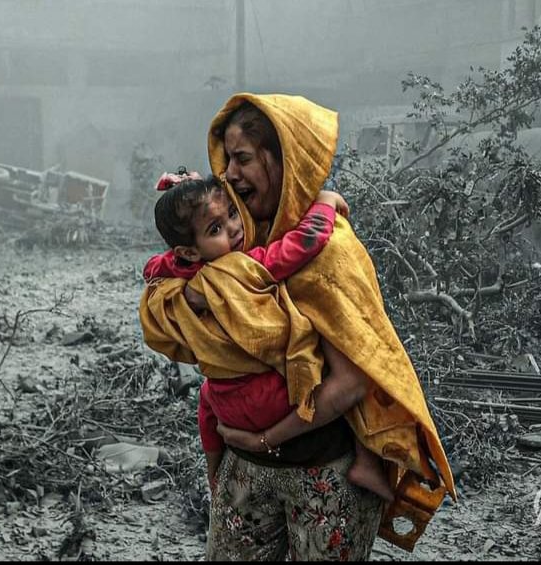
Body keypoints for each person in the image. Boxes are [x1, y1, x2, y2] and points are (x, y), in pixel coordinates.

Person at [139, 94, 456, 561]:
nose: (229, 174)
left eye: (243, 158)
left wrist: (264, 439)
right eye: (226, 161)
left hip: (325, 476)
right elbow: (162, 323)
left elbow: (351, 380)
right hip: (244, 472)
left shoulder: (328, 251)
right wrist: (189, 294)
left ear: (282, 158)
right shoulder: (234, 243)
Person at [144, 171, 394, 504]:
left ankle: (215, 474)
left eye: (232, 213)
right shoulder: (242, 266)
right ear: (189, 251)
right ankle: (366, 461)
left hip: (226, 409)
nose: (234, 229)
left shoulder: (183, 272)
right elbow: (302, 244)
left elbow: (152, 269)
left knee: (206, 395)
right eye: (215, 229)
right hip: (272, 405)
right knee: (335, 365)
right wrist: (326, 203)